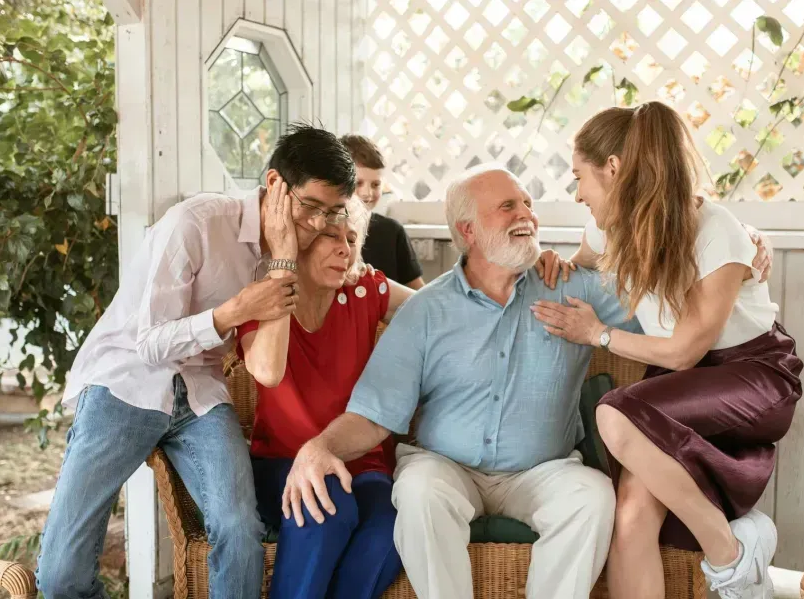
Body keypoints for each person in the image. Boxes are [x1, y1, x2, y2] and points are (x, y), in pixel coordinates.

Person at [277, 163, 650, 599]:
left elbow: (664, 312)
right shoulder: (426, 311)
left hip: (543, 471)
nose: (526, 214)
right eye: (508, 206)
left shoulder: (573, 288)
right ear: (468, 230)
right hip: (447, 468)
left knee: (592, 496)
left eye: (528, 204)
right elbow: (375, 415)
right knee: (417, 490)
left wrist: (734, 262)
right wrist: (319, 448)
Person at [36, 124, 356, 599]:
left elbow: (346, 277)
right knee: (62, 574)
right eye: (310, 207)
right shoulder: (197, 223)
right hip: (127, 380)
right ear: (274, 184)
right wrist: (233, 312)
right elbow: (149, 344)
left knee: (239, 532)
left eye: (332, 212)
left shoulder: (300, 249)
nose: (318, 224)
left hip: (202, 395)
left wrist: (291, 253)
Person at [531, 102, 803, 599]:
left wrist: (598, 334)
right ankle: (736, 536)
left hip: (750, 379)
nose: (577, 193)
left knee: (615, 416)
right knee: (631, 513)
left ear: (612, 169)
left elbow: (684, 352)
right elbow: (581, 262)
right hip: (676, 390)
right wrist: (554, 261)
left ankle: (728, 552)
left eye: (579, 177)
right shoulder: (609, 227)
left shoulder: (716, 230)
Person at [237, 194, 415, 599]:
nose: (344, 249)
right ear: (300, 242)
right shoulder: (264, 298)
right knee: (326, 506)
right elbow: (264, 368)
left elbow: (436, 311)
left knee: (391, 527)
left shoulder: (366, 290)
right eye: (331, 236)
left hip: (363, 462)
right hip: (280, 461)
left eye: (352, 240)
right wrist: (285, 280)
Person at [340, 134, 425, 289]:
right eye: (358, 183)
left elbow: (417, 290)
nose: (367, 193)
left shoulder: (393, 231)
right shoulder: (327, 230)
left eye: (375, 184)